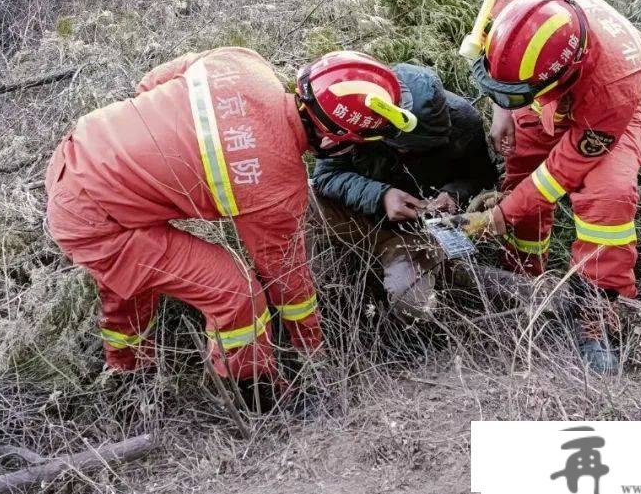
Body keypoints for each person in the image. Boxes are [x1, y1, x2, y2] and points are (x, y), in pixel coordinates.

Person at [44, 47, 418, 409]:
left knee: (136, 277)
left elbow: (149, 85)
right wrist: (312, 349)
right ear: (332, 141)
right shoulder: (276, 186)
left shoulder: (240, 62)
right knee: (237, 293)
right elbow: (286, 280)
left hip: (77, 155)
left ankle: (125, 372)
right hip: (96, 223)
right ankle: (256, 393)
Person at [458, 0, 641, 372]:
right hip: (536, 94)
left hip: (604, 110)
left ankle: (599, 314)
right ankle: (524, 285)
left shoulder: (616, 83)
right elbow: (482, 42)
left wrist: (500, 216)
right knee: (518, 181)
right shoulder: (519, 3)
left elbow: (559, 174)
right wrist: (504, 107)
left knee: (608, 199)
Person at [311, 62, 496, 318]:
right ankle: (320, 288)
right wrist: (380, 195)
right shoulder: (359, 113)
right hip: (355, 216)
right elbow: (325, 176)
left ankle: (442, 277)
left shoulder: (464, 123)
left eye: (413, 149)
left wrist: (452, 194)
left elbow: (480, 177)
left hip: (413, 233)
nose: (403, 153)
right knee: (299, 203)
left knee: (415, 304)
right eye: (397, 145)